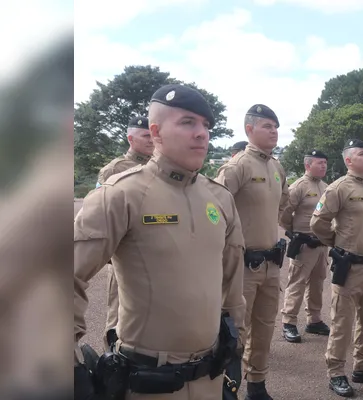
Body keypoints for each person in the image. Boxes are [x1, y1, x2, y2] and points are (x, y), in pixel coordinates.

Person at [73, 84, 247, 399]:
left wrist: (237, 343)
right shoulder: (121, 194)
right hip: (148, 382)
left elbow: (232, 280)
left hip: (210, 376)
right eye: (187, 123)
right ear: (156, 132)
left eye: (205, 126)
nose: (201, 133)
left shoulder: (219, 198)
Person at [215, 104, 290, 400]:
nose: (274, 131)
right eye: (267, 126)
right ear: (249, 129)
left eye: (275, 127)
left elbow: (282, 203)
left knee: (265, 329)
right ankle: (226, 389)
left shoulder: (276, 166)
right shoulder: (237, 166)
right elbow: (213, 209)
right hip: (242, 267)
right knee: (236, 333)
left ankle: (257, 385)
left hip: (271, 264)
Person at [311, 139, 363, 397]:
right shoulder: (338, 188)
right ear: (348, 160)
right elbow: (318, 222)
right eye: (362, 154)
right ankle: (336, 372)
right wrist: (338, 243)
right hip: (350, 266)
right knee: (342, 322)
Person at [96, 115, 155, 350]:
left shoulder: (159, 167)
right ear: (130, 138)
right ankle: (111, 369)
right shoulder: (115, 170)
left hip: (154, 254)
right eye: (145, 135)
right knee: (119, 318)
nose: (151, 140)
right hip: (125, 257)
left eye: (153, 134)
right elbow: (101, 216)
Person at [279, 149, 331, 343]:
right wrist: (295, 232)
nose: (324, 165)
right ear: (308, 165)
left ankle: (314, 320)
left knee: (318, 282)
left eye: (325, 163)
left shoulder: (326, 187)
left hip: (321, 245)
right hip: (304, 244)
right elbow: (284, 212)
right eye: (320, 163)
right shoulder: (299, 186)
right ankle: (289, 322)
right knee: (297, 282)